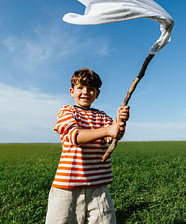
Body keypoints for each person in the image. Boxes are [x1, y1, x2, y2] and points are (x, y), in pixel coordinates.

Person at [46, 68, 130, 224]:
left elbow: (114, 135)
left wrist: (120, 123)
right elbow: (75, 136)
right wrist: (108, 129)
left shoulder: (102, 116)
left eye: (91, 89)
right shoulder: (67, 112)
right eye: (80, 88)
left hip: (98, 188)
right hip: (67, 187)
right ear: (72, 91)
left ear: (97, 94)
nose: (85, 92)